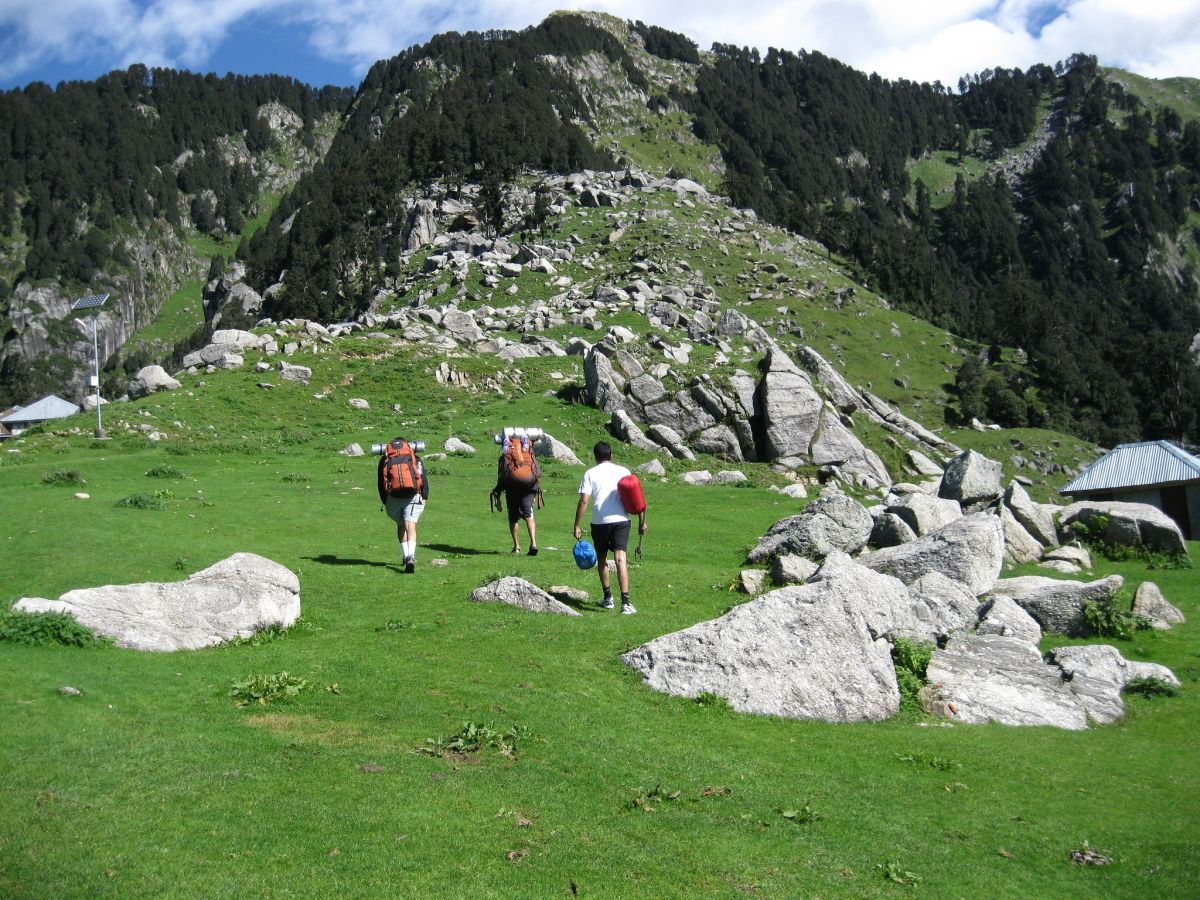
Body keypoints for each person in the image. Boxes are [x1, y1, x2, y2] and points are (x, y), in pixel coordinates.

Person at [574, 441, 647, 614]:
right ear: (611, 455)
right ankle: (625, 603)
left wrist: (577, 524)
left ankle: (608, 599)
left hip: (599, 521)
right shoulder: (623, 471)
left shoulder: (590, 473)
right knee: (620, 558)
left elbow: (584, 500)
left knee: (602, 559)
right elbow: (637, 497)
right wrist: (641, 522)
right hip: (621, 519)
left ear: (595, 457)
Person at [377, 440, 429, 573]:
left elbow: (381, 482)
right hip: (412, 495)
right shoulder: (414, 458)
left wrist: (385, 500)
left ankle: (405, 556)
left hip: (393, 498)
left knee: (401, 525)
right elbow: (423, 476)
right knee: (410, 524)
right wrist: (424, 495)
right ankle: (411, 556)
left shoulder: (385, 459)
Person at [492, 433, 541, 555]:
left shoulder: (505, 457)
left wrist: (497, 495)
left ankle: (517, 547)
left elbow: (502, 476)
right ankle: (533, 543)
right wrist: (535, 494)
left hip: (512, 489)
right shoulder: (529, 455)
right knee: (529, 516)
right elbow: (536, 473)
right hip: (528, 488)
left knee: (513, 518)